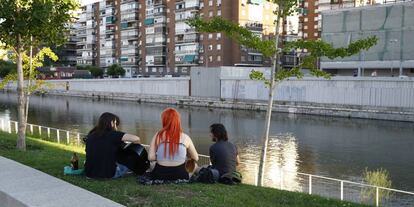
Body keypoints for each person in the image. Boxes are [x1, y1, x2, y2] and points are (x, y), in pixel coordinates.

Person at [84, 112, 140, 179]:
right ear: (111, 123)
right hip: (108, 174)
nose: (116, 126)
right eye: (115, 123)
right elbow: (136, 139)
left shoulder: (91, 134)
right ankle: (141, 169)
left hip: (89, 173)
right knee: (133, 154)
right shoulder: (113, 134)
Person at [148, 108, 199, 180]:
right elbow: (196, 158)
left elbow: (150, 157)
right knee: (195, 165)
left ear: (164, 120)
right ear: (178, 121)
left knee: (152, 164)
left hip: (159, 175)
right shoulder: (185, 137)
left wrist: (161, 156)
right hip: (180, 175)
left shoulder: (158, 135)